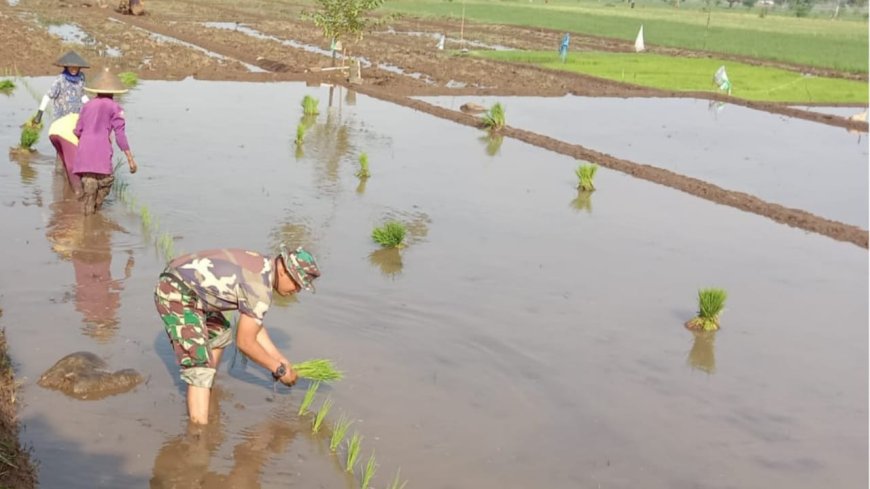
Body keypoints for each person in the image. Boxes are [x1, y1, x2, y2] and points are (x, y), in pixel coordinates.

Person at [154, 245, 321, 425]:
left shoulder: (264, 266)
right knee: (200, 364)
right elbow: (245, 342)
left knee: (220, 333)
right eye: (297, 283)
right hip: (176, 290)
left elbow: (254, 327)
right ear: (284, 271)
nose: (297, 290)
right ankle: (199, 432)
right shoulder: (260, 288)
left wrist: (280, 359)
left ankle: (205, 389)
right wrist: (278, 370)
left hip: (190, 287)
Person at [73, 67, 138, 215]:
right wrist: (130, 159)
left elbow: (77, 131)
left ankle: (89, 214)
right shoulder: (115, 108)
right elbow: (120, 135)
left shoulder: (87, 106)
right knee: (105, 182)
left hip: (84, 151)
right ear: (114, 92)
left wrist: (83, 145)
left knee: (89, 184)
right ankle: (96, 209)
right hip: (102, 151)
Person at [34, 51, 90, 195]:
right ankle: (61, 180)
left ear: (80, 68)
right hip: (61, 120)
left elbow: (82, 96)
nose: (74, 69)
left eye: (76, 67)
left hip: (76, 120)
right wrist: (39, 113)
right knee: (62, 150)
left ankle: (72, 178)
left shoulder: (81, 78)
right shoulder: (60, 79)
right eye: (71, 67)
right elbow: (48, 96)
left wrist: (91, 108)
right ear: (66, 66)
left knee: (75, 147)